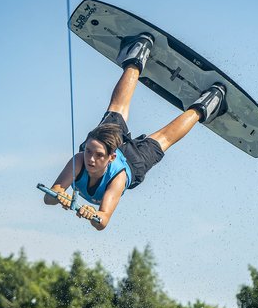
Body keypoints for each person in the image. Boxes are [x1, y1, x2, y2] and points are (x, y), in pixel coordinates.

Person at [44, 33, 227, 230]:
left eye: (98, 155)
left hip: (121, 160)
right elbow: (52, 198)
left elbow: (103, 218)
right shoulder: (79, 160)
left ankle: (138, 53)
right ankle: (209, 102)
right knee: (163, 139)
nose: (90, 159)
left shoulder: (117, 177)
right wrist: (61, 196)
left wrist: (95, 214)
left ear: (111, 157)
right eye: (88, 151)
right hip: (134, 162)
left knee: (117, 108)